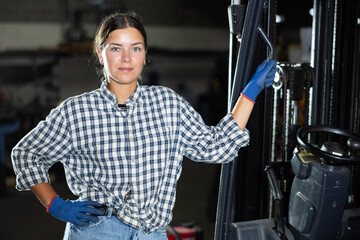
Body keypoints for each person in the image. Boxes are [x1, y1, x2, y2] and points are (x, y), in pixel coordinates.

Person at [11, 11, 277, 240]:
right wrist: (55, 204)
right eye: (116, 48)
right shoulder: (76, 111)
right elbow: (27, 154)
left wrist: (249, 93)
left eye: (135, 48)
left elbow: (216, 147)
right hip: (97, 231)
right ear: (100, 53)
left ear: (145, 55)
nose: (126, 57)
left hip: (152, 232)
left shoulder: (168, 104)